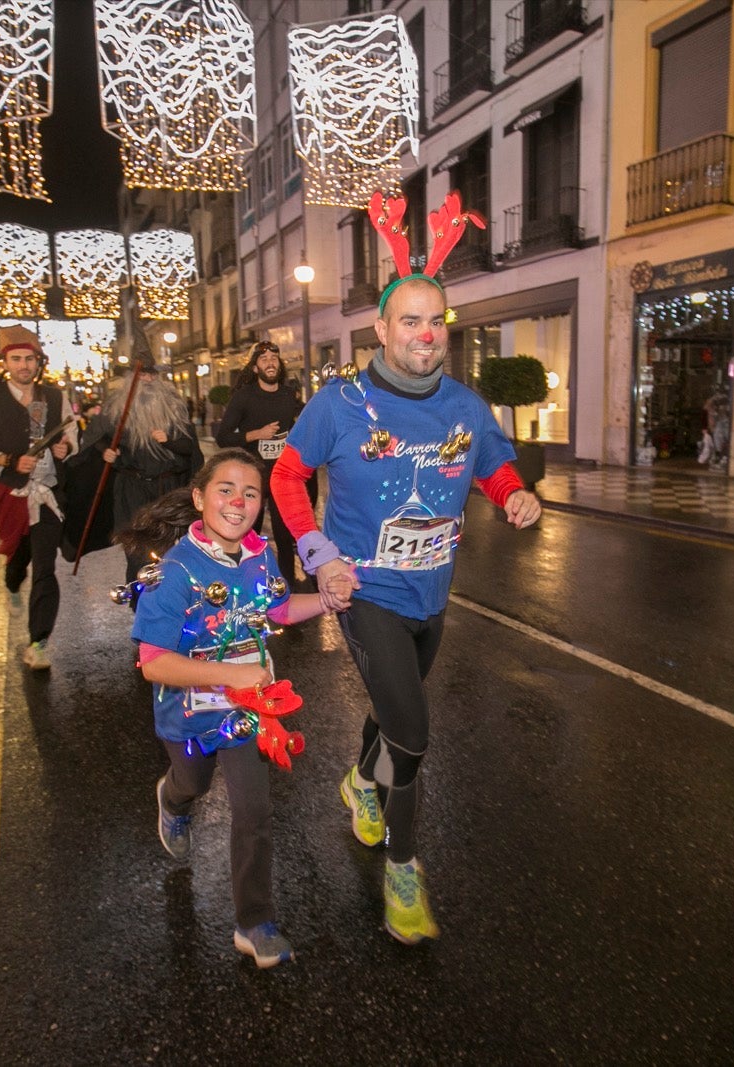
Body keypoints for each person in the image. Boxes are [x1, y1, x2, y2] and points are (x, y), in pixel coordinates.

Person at [271, 268, 543, 945]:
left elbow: (492, 464)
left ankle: (362, 779)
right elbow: (287, 474)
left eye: (436, 322)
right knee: (413, 734)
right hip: (363, 592)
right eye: (411, 321)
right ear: (382, 330)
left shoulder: (464, 404)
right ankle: (402, 866)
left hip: (431, 593)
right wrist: (318, 551)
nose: (426, 335)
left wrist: (512, 493)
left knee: (395, 712)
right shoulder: (338, 404)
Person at [121, 449, 336, 968]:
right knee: (192, 781)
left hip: (247, 713)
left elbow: (279, 608)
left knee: (254, 811)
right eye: (225, 489)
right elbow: (152, 663)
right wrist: (229, 673)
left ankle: (254, 921)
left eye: (251, 493)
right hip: (188, 716)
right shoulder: (173, 572)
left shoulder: (262, 554)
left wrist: (329, 599)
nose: (238, 502)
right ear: (199, 498)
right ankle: (173, 800)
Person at [0, 324, 75, 670]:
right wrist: (9, 460)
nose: (24, 365)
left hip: (48, 496)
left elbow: (72, 436)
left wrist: (65, 447)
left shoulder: (55, 397)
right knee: (18, 557)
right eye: (17, 359)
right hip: (12, 494)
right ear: (6, 362)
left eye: (29, 359)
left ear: (38, 362)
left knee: (45, 567)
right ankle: (12, 580)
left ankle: (38, 642)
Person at [78, 361, 201, 590]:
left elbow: (189, 448)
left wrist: (169, 441)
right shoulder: (117, 408)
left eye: (150, 374)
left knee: (168, 550)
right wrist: (106, 450)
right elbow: (94, 436)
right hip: (132, 487)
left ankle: (166, 598)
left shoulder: (174, 407)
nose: (146, 379)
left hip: (168, 486)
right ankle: (139, 599)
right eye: (140, 374)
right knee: (136, 548)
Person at [215, 340, 316, 585]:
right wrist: (256, 434)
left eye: (274, 359)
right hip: (254, 476)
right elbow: (222, 437)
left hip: (283, 475)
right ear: (255, 368)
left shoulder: (287, 394)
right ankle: (244, 583)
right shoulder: (244, 397)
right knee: (249, 532)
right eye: (264, 359)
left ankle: (286, 588)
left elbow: (304, 420)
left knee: (284, 535)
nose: (270, 363)